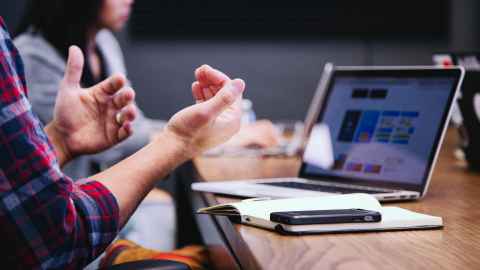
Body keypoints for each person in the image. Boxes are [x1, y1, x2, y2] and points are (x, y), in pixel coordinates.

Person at [0, 15, 247, 269]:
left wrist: (60, 141)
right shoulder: (32, 54)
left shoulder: (105, 43)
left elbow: (14, 186)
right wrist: (181, 140)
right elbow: (54, 235)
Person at [14, 0, 280, 180]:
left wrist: (206, 134)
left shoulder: (104, 44)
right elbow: (120, 141)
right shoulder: (31, 57)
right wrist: (217, 138)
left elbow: (134, 125)